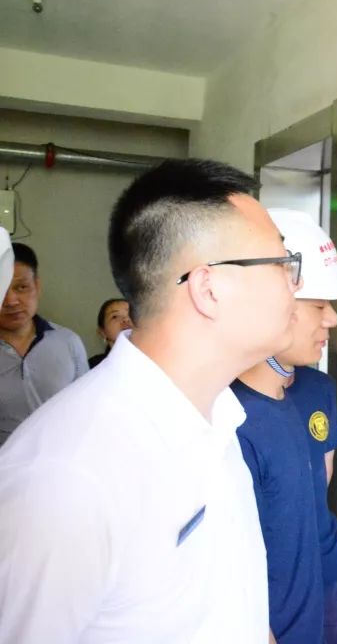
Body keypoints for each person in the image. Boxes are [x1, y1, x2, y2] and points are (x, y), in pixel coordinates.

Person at [0, 159, 300, 643]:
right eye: (283, 262)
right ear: (208, 288)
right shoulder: (67, 476)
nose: (296, 283)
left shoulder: (219, 418)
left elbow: (231, 602)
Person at [232, 209, 337, 644]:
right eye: (319, 306)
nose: (332, 320)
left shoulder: (314, 388)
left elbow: (318, 482)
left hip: (324, 574)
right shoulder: (228, 412)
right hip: (272, 601)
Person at [0, 242, 89, 446]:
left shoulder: (68, 343)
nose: (11, 301)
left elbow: (85, 412)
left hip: (61, 459)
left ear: (37, 286)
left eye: (21, 287)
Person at [88, 298, 132, 368]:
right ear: (102, 332)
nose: (126, 319)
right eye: (115, 317)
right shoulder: (95, 366)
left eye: (131, 314)